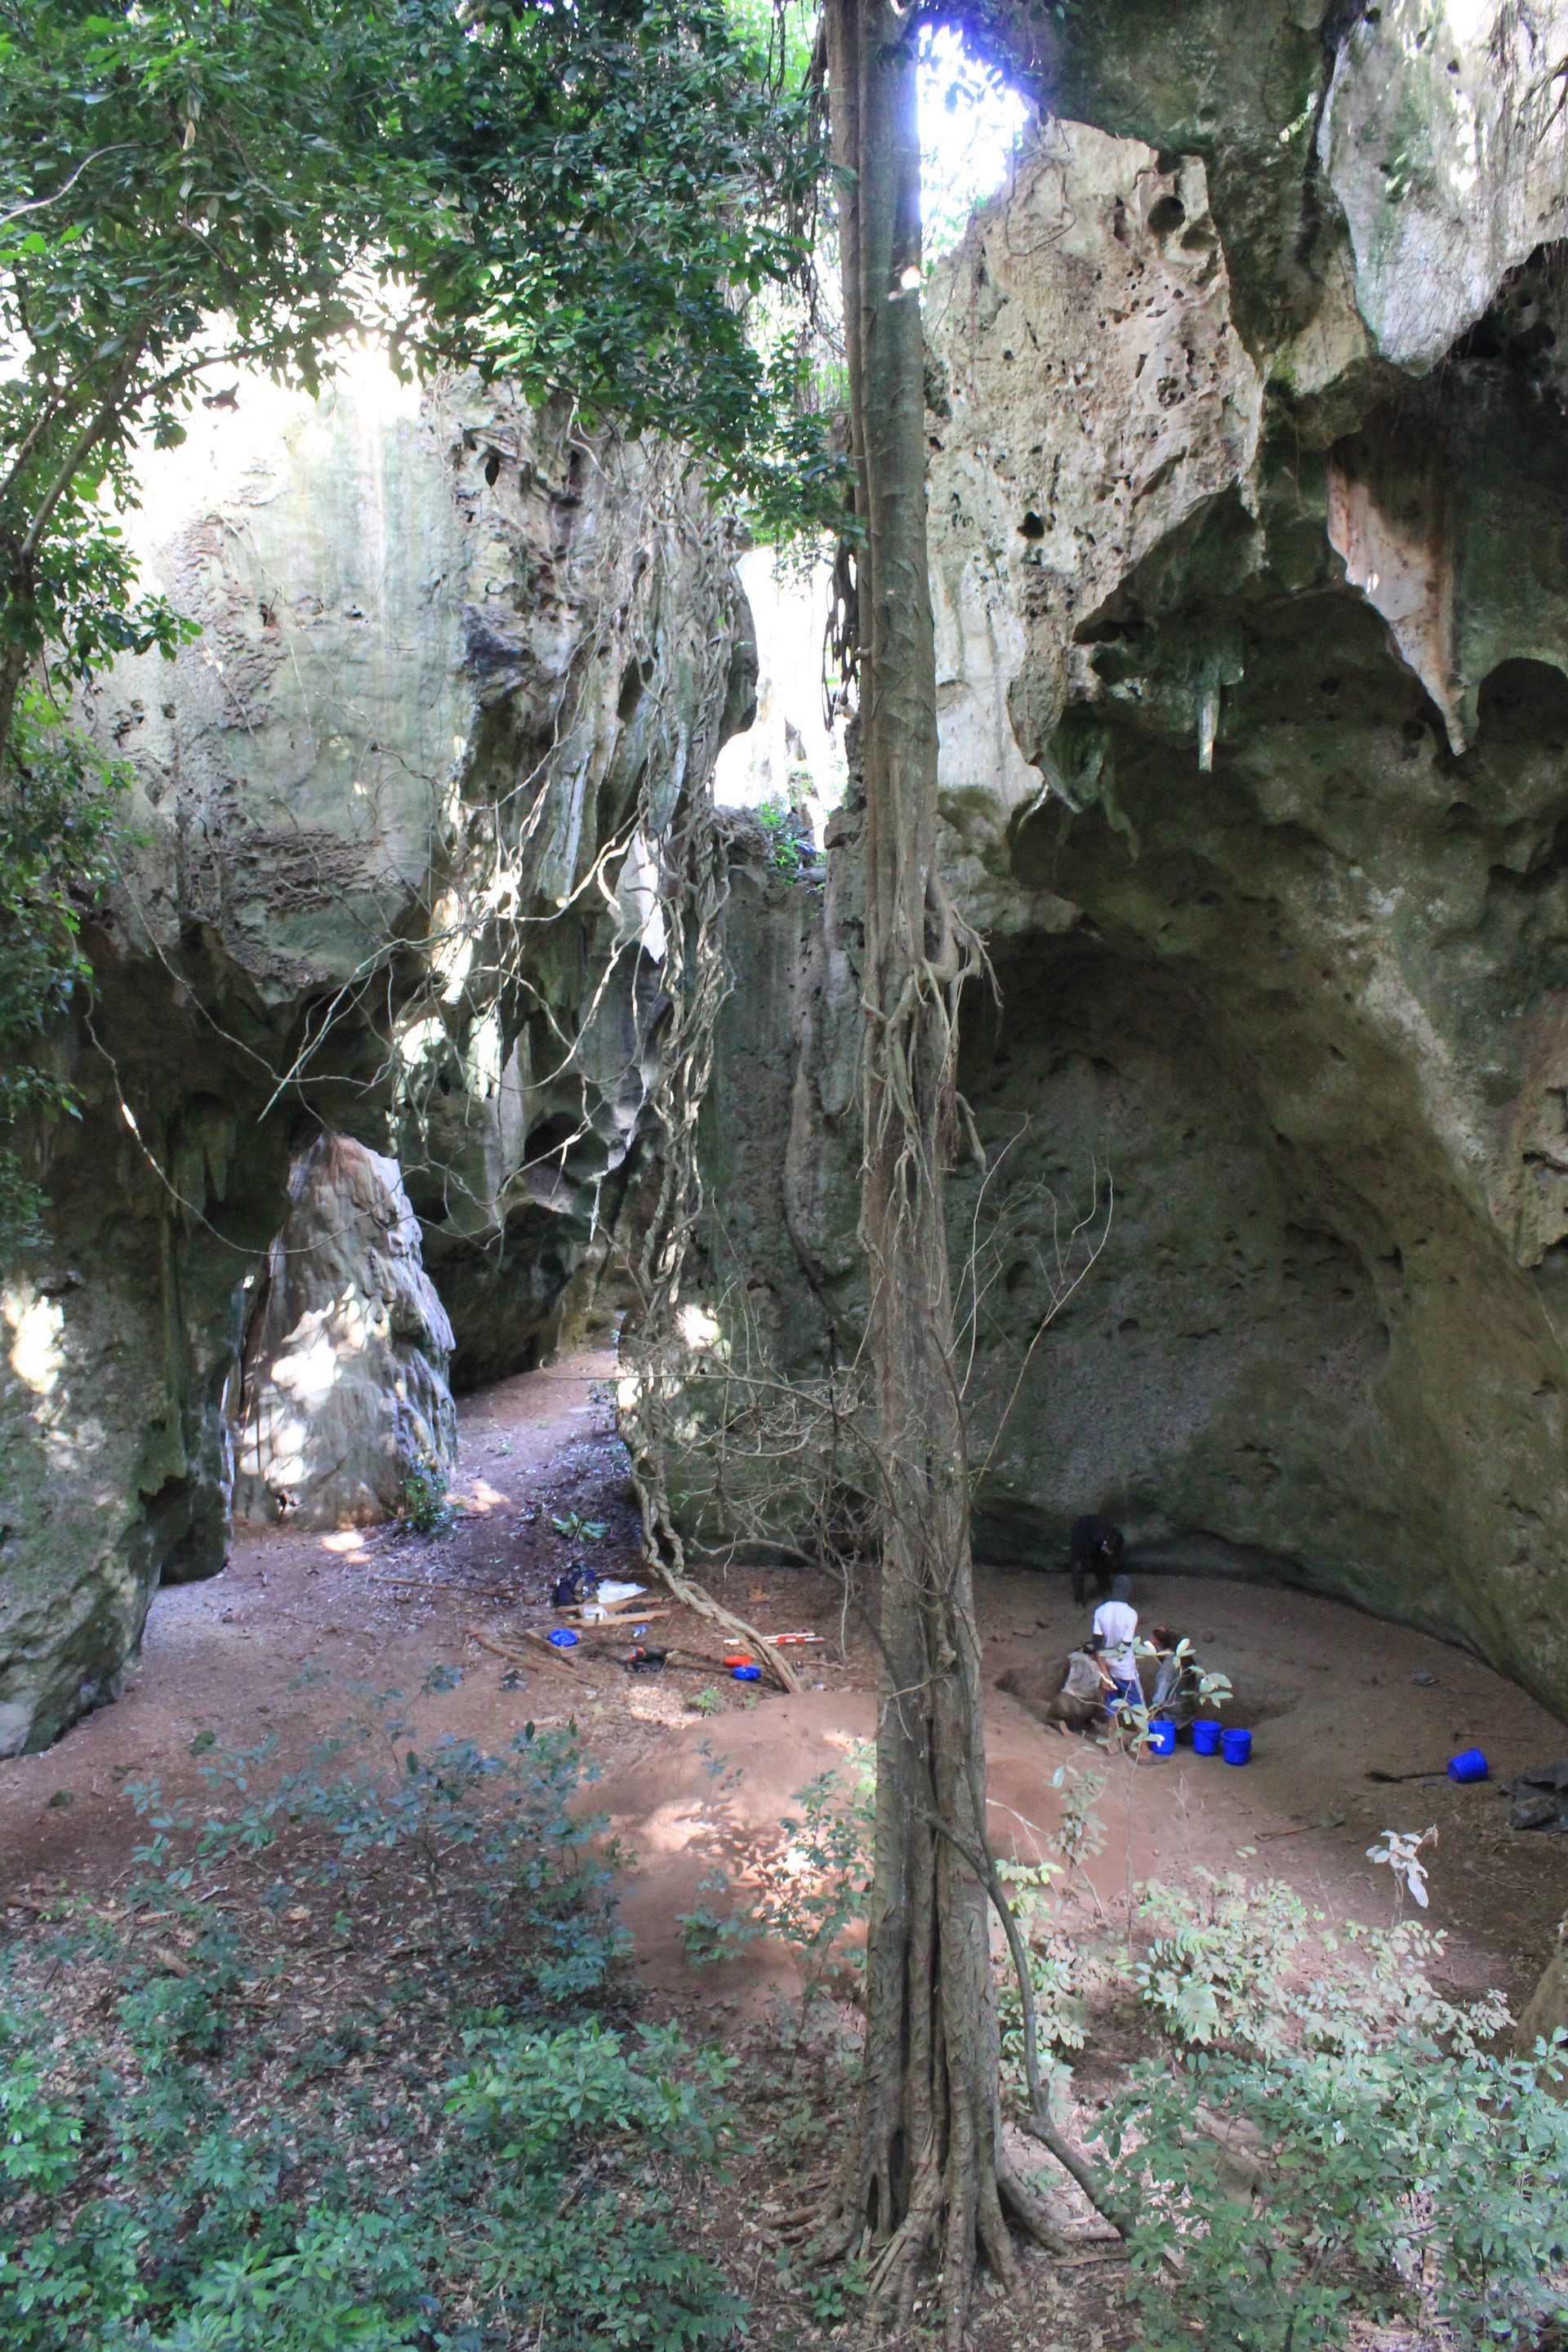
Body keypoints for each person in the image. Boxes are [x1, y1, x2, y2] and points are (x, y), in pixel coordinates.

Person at [1092, 1575, 1141, 1719]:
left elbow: (1097, 1643)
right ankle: (1143, 1742)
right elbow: (1125, 1646)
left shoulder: (1100, 1611)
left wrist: (1104, 1673)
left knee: (1111, 1704)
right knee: (1138, 1706)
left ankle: (1111, 1740)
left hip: (1106, 1665)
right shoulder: (1131, 1614)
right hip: (1125, 1667)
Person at [1068, 1514, 1125, 1607]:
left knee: (1101, 1565)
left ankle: (1105, 1590)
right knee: (1078, 1566)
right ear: (1106, 1543)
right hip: (1081, 1534)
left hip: (1097, 1535)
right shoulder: (1097, 1538)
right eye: (1108, 1550)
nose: (1110, 1554)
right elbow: (1088, 1553)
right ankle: (1079, 1599)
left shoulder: (1117, 1538)